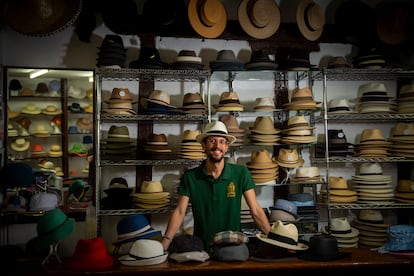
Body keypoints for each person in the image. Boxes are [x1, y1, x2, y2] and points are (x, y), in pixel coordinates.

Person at [161, 121, 270, 251]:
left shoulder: (241, 173)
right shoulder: (190, 177)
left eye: (222, 141)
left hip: (233, 247)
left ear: (226, 147)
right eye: (212, 141)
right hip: (202, 247)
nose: (217, 146)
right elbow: (180, 211)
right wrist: (165, 243)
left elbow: (256, 210)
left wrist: (273, 238)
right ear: (203, 145)